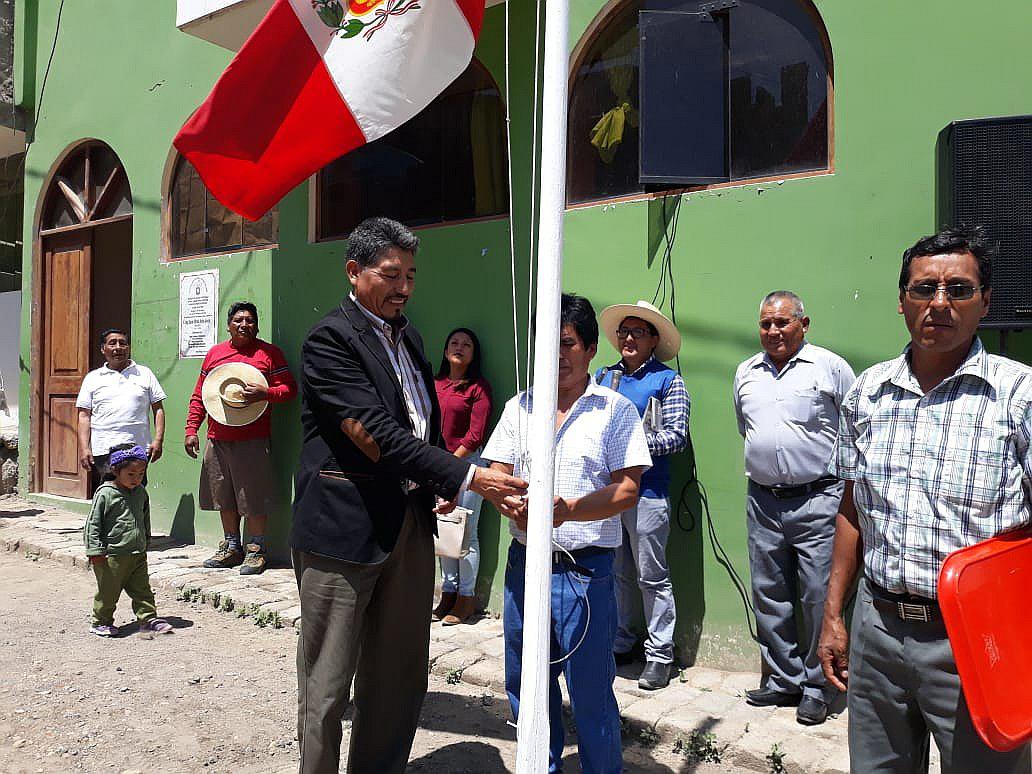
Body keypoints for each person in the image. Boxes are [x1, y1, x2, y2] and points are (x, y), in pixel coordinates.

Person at [290, 217, 527, 774]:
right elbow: (375, 431)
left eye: (412, 276)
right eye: (391, 275)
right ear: (354, 271)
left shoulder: (411, 335)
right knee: (328, 684)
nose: (404, 288)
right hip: (344, 529)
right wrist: (464, 478)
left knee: (399, 677)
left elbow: (421, 423)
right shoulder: (330, 340)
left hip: (410, 524)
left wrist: (436, 481)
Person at [819, 227, 1032, 772]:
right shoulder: (867, 392)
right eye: (924, 289)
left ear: (985, 301)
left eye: (958, 289)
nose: (939, 303)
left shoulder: (1019, 395)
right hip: (878, 627)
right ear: (902, 301)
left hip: (977, 642)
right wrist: (834, 615)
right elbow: (853, 506)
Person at [483, 292, 652, 774]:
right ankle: (542, 766)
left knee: (591, 691)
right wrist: (506, 498)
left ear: (591, 349)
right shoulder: (521, 407)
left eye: (568, 343)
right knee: (526, 684)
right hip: (524, 570)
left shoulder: (614, 410)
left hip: (585, 571)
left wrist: (569, 511)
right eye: (547, 343)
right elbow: (498, 469)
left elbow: (626, 491)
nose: (556, 355)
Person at [732, 290, 855, 725]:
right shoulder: (746, 372)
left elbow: (853, 429)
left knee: (818, 596)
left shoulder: (830, 367)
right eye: (766, 323)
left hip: (820, 498)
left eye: (782, 322)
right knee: (769, 593)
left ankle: (818, 686)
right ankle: (782, 680)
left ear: (804, 324)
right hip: (764, 499)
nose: (773, 331)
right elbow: (747, 428)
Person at [596, 299, 689, 690]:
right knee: (616, 570)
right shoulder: (603, 376)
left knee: (652, 576)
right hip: (608, 490)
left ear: (654, 339)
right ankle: (622, 639)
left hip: (648, 492)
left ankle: (660, 655)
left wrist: (629, 444)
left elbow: (676, 436)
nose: (629, 338)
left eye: (638, 332)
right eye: (624, 332)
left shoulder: (669, 381)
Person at [185, 301, 297, 576]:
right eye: (238, 320)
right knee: (222, 494)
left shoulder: (269, 354)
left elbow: (289, 389)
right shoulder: (215, 354)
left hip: (254, 439)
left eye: (249, 320)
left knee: (253, 495)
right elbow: (200, 394)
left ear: (257, 325)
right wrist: (191, 430)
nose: (244, 325)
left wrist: (265, 393)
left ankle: (257, 550)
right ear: (228, 325)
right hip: (217, 437)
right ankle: (232, 547)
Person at [432, 327, 493, 626]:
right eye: (454, 342)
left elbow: (475, 435)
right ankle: (448, 593)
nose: (459, 347)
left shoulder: (478, 388)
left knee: (465, 530)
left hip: (467, 466)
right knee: (443, 529)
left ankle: (466, 599)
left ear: (473, 354)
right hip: (435, 465)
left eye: (466, 344)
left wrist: (448, 463)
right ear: (445, 351)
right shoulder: (435, 384)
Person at [83, 444, 172, 638]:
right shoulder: (105, 493)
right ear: (115, 471)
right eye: (131, 474)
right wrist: (95, 551)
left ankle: (149, 618)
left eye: (141, 474)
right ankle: (101, 622)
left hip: (137, 553)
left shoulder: (141, 492)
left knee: (142, 589)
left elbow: (145, 517)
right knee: (108, 592)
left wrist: (145, 540)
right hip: (111, 555)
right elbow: (93, 523)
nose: (136, 479)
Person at [76, 329, 166, 485]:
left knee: (136, 492)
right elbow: (84, 416)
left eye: (122, 343)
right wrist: (84, 448)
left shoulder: (144, 374)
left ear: (128, 348)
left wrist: (158, 440)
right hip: (104, 449)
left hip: (138, 447)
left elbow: (158, 409)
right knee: (111, 492)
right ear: (103, 349)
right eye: (112, 343)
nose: (118, 347)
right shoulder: (93, 378)